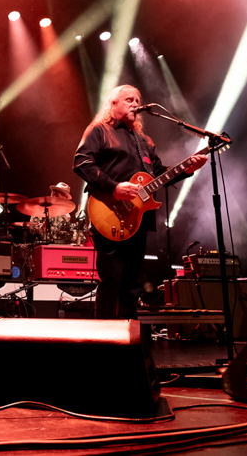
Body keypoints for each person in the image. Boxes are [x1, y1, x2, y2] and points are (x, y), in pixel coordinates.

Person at [73, 85, 206, 319]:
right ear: (113, 104)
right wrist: (115, 187)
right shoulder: (99, 130)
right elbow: (81, 162)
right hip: (109, 213)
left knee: (132, 284)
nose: (135, 103)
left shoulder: (144, 141)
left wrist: (188, 169)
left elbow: (159, 174)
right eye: (129, 99)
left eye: (137, 100)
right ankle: (102, 342)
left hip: (138, 220)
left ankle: (129, 341)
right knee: (111, 279)